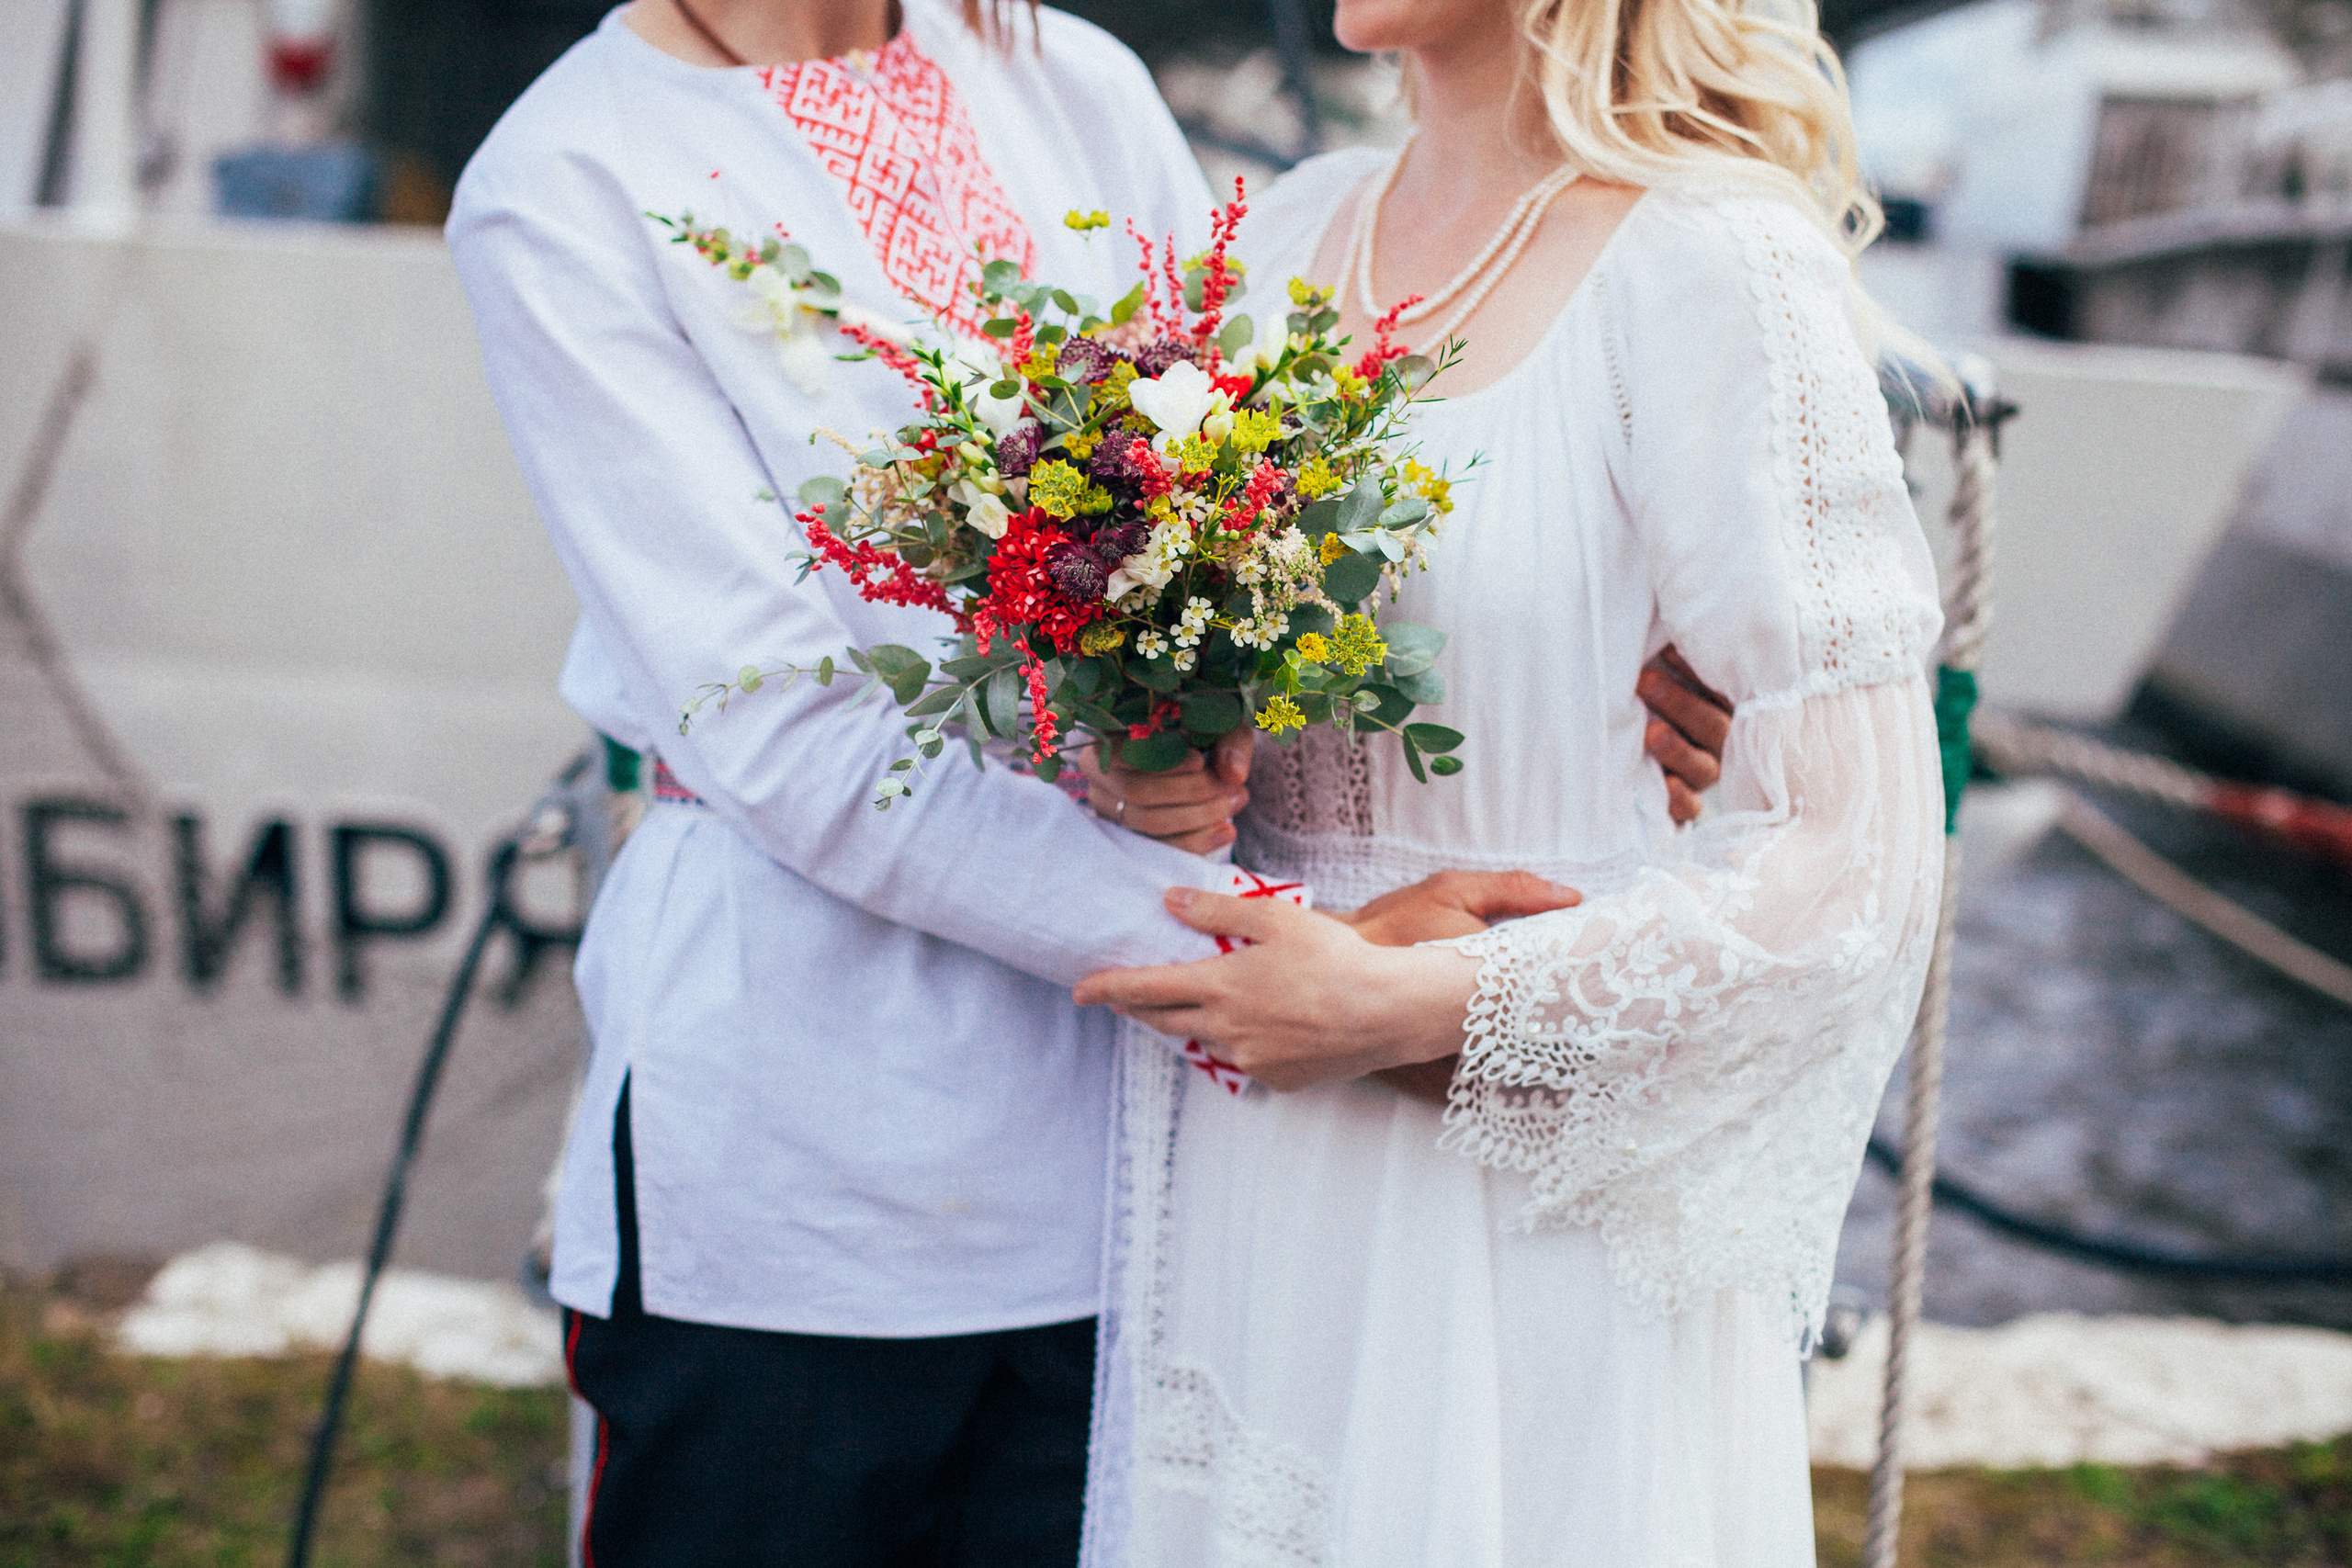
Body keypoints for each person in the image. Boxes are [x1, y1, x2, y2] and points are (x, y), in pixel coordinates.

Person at [447, 0, 1730, 1561]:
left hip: (1169, 1185)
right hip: (814, 1182)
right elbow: (781, 734)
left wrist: (1653, 658)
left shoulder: (1070, 76)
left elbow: (1288, 504)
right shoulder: (568, 177)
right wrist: (1280, 956)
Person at [1069, 0, 1948, 1558]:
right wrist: (1135, 764)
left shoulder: (1711, 262)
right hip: (1254, 1172)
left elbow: (1854, 864)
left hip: (1524, 1202)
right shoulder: (1274, 243)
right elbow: (1169, 695)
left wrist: (1406, 1011)